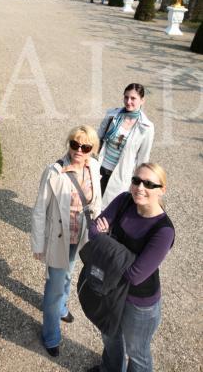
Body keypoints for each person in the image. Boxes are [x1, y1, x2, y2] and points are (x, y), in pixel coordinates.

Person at [87, 163, 175, 372]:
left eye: (148, 184)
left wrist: (106, 238)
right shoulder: (124, 200)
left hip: (139, 303)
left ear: (162, 189)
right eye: (136, 180)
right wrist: (109, 243)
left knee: (137, 353)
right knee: (109, 335)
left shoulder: (163, 231)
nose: (139, 187)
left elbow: (134, 275)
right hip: (110, 288)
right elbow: (92, 230)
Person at [31, 125, 102, 357]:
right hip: (58, 238)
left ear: (93, 149)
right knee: (53, 287)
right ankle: (51, 334)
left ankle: (62, 308)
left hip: (79, 237)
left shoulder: (94, 167)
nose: (79, 150)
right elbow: (40, 210)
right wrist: (38, 244)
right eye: (74, 144)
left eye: (85, 147)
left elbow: (96, 203)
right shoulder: (53, 172)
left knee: (70, 274)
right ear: (69, 144)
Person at [98, 83, 154, 208]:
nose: (128, 102)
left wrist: (138, 183)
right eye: (126, 97)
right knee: (91, 205)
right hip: (101, 168)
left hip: (121, 175)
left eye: (133, 98)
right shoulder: (112, 115)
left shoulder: (147, 127)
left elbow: (143, 159)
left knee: (109, 211)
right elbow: (98, 138)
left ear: (142, 100)